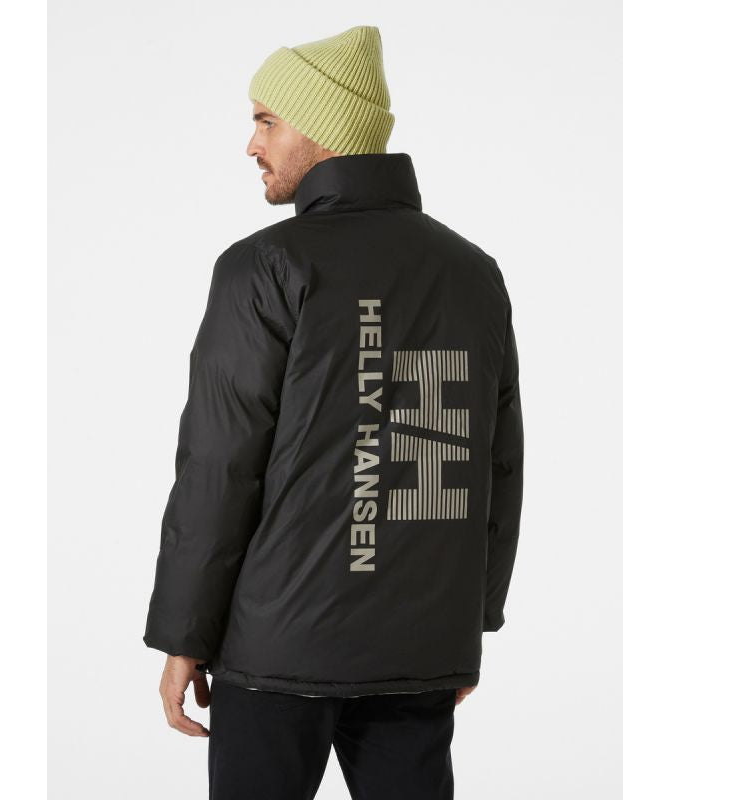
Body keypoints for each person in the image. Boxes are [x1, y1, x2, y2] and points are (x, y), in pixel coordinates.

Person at [144, 24, 524, 799]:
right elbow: (497, 463)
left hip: (277, 653)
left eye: (266, 121)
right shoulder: (473, 272)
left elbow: (221, 466)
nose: (251, 145)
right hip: (418, 650)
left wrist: (184, 635)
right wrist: (467, 626)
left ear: (322, 129)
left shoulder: (266, 267)